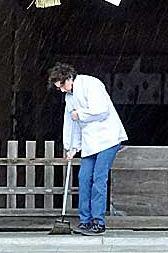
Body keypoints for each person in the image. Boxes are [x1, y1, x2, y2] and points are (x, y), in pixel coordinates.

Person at [49, 62, 127, 236]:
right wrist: (71, 147)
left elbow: (102, 110)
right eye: (58, 88)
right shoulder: (69, 97)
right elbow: (71, 123)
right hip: (90, 142)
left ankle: (99, 222)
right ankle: (85, 221)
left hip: (108, 137)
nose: (61, 90)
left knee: (99, 178)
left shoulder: (91, 84)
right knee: (84, 178)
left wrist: (81, 114)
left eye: (62, 85)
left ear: (69, 78)